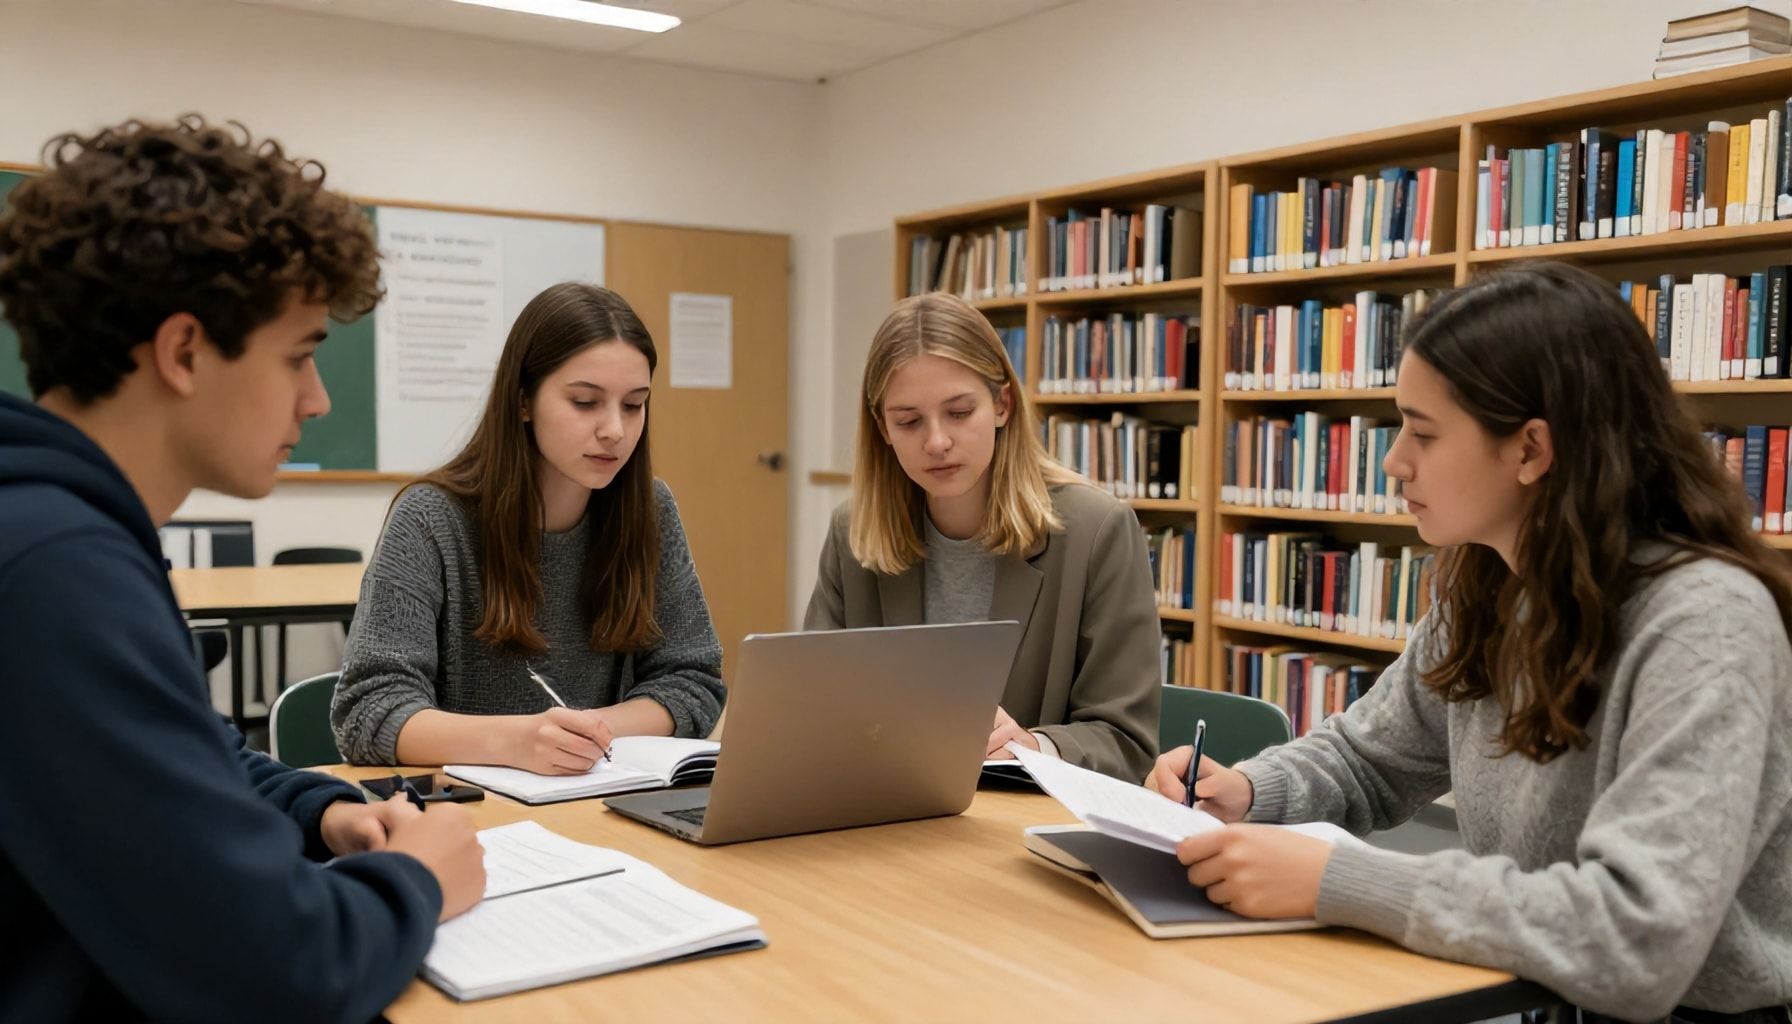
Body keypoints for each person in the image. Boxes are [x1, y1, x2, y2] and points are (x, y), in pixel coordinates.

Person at [1148, 262, 1792, 1024]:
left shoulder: (1705, 623)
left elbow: (1638, 937)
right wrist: (1252, 792)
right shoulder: (1489, 586)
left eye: (1422, 433)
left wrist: (1340, 880)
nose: (1393, 462)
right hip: (1540, 995)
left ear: (1529, 450)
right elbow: (1368, 758)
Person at [0, 115, 485, 1023]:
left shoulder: (55, 527)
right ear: (185, 351)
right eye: (299, 352)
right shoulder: (53, 570)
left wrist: (316, 811)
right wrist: (416, 880)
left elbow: (176, 756)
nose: (318, 398)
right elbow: (278, 971)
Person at [332, 282, 725, 773]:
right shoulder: (430, 519)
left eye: (633, 404)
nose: (615, 431)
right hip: (473, 819)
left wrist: (581, 736)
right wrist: (521, 741)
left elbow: (693, 680)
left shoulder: (650, 509)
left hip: (600, 799)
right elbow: (368, 711)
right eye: (585, 402)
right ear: (522, 401)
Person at [806, 291, 1160, 781]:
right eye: (908, 421)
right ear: (883, 429)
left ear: (1002, 403)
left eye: (958, 412)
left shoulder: (1097, 532)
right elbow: (812, 704)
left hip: (1022, 827)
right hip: (887, 810)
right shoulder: (854, 533)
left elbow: (1126, 740)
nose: (936, 442)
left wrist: (1036, 747)